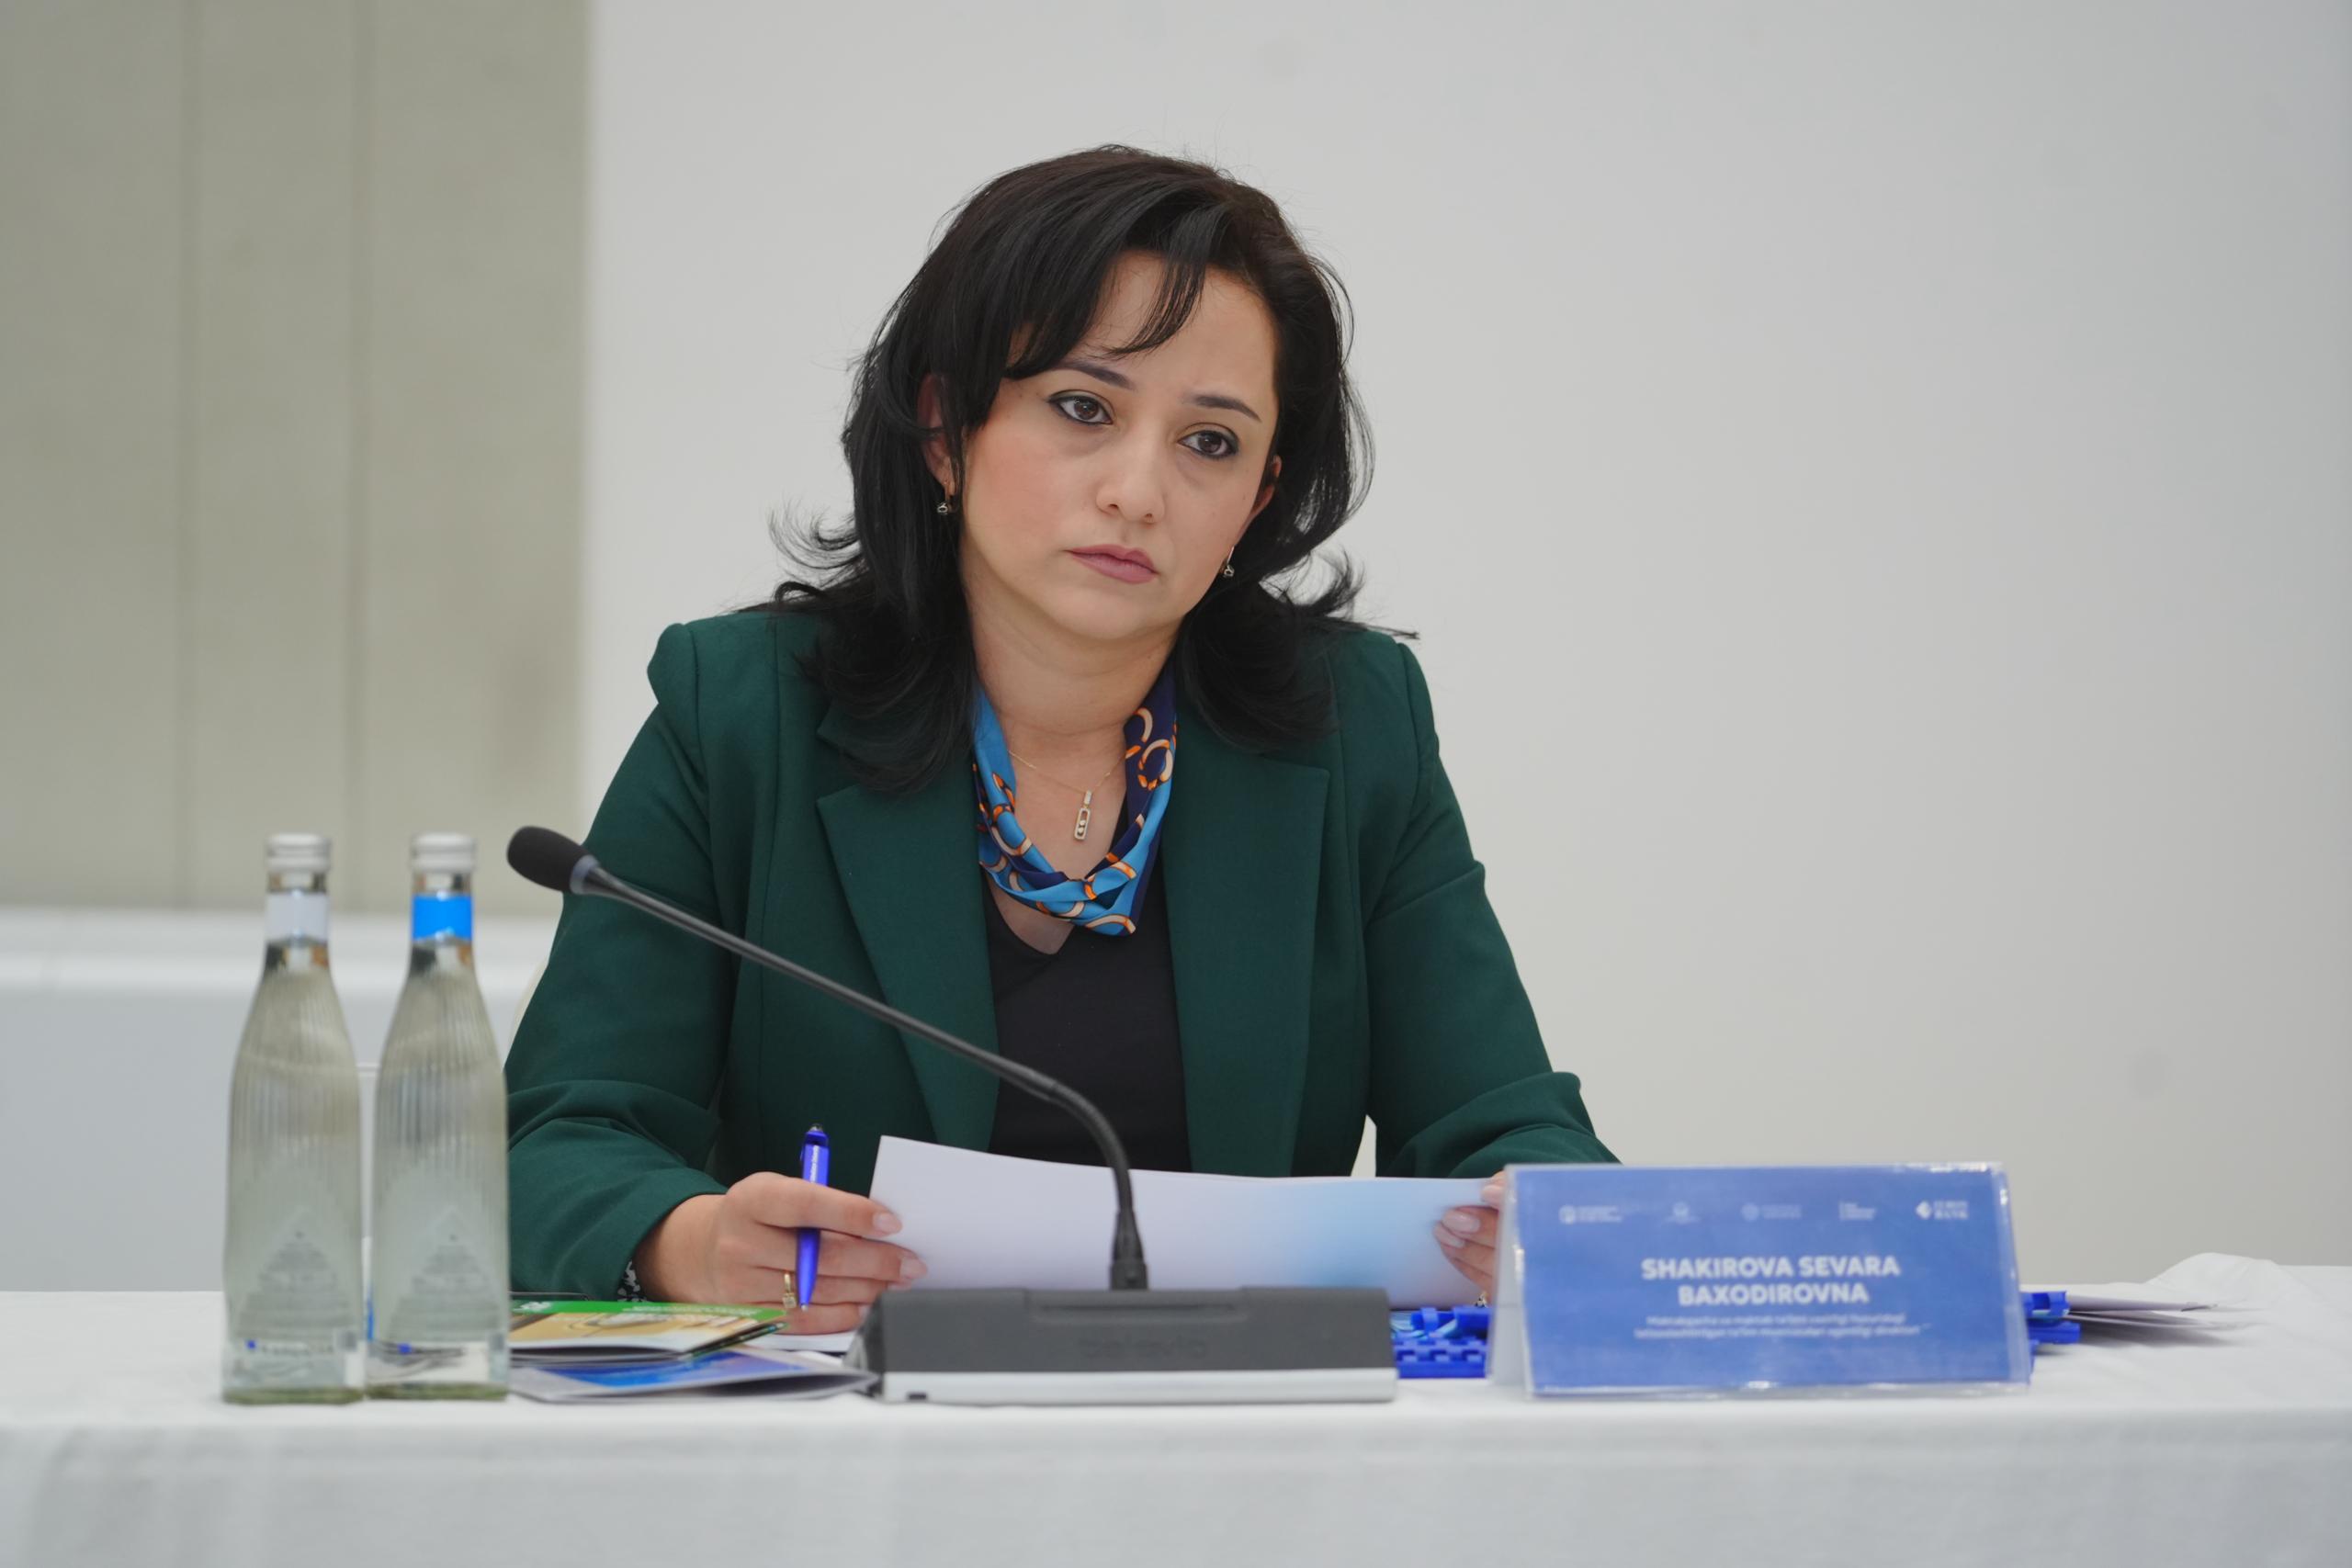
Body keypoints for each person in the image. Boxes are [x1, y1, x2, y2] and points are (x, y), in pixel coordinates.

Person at [506, 145, 1614, 1333]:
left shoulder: (1354, 726)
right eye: (1084, 409)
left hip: (1239, 1417)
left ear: (1258, 499)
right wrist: (688, 1242)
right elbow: (555, 1143)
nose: (1139, 491)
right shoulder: (744, 713)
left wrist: (1546, 1222)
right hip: (844, 1417)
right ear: (946, 428)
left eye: (1210, 442)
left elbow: (1506, 1124)